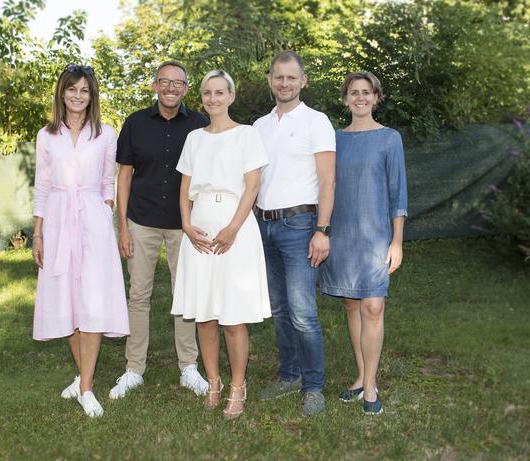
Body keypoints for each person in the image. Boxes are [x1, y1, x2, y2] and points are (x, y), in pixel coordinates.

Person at [171, 70, 271, 419]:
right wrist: (186, 224)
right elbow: (184, 189)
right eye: (207, 93)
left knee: (233, 315)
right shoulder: (194, 138)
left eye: (220, 92)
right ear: (202, 98)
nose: (213, 99)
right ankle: (213, 381)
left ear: (231, 96)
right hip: (199, 230)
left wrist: (233, 227)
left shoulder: (247, 135)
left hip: (236, 228)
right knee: (204, 313)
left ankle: (238, 385)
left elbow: (252, 186)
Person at [32, 64, 130, 418]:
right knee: (67, 304)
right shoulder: (47, 135)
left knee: (91, 302)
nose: (77, 95)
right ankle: (82, 374)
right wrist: (39, 232)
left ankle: (86, 387)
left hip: (93, 222)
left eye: (84, 90)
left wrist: (104, 213)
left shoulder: (105, 134)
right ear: (61, 92)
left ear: (92, 95)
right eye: (71, 89)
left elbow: (109, 182)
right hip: (57, 221)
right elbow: (42, 186)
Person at [111, 61, 210, 399]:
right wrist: (122, 226)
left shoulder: (200, 125)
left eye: (178, 83)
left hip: (186, 225)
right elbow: (123, 176)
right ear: (154, 86)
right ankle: (134, 368)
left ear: (185, 88)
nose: (171, 88)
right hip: (141, 221)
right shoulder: (135, 123)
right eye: (164, 82)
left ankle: (188, 367)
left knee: (186, 296)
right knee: (138, 295)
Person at [319, 71, 407, 415]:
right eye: (353, 93)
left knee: (373, 307)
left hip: (376, 238)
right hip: (341, 233)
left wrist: (397, 240)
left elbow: (397, 192)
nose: (360, 98)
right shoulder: (334, 140)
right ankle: (360, 377)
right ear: (345, 99)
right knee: (351, 306)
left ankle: (371, 386)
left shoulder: (389, 139)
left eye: (366, 92)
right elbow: (324, 184)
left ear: (376, 97)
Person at [254, 51, 336, 416]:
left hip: (301, 225)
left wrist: (322, 229)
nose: (284, 83)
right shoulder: (258, 126)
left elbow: (328, 179)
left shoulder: (316, 122)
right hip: (263, 225)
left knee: (303, 312)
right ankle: (289, 375)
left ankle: (314, 387)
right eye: (278, 77)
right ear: (270, 80)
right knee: (279, 308)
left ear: (303, 81)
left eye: (291, 77)